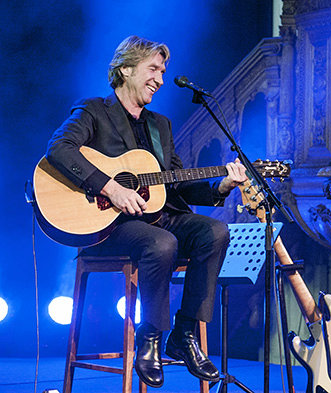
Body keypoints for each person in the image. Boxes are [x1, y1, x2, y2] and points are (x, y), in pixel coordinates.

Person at [45, 35, 248, 388]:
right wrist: (111, 188)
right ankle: (150, 335)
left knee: (214, 232)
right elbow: (59, 149)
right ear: (125, 69)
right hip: (108, 226)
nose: (161, 78)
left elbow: (177, 183)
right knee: (162, 243)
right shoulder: (94, 111)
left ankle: (183, 334)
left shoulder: (160, 126)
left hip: (157, 218)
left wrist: (221, 187)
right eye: (153, 68)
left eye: (164, 70)